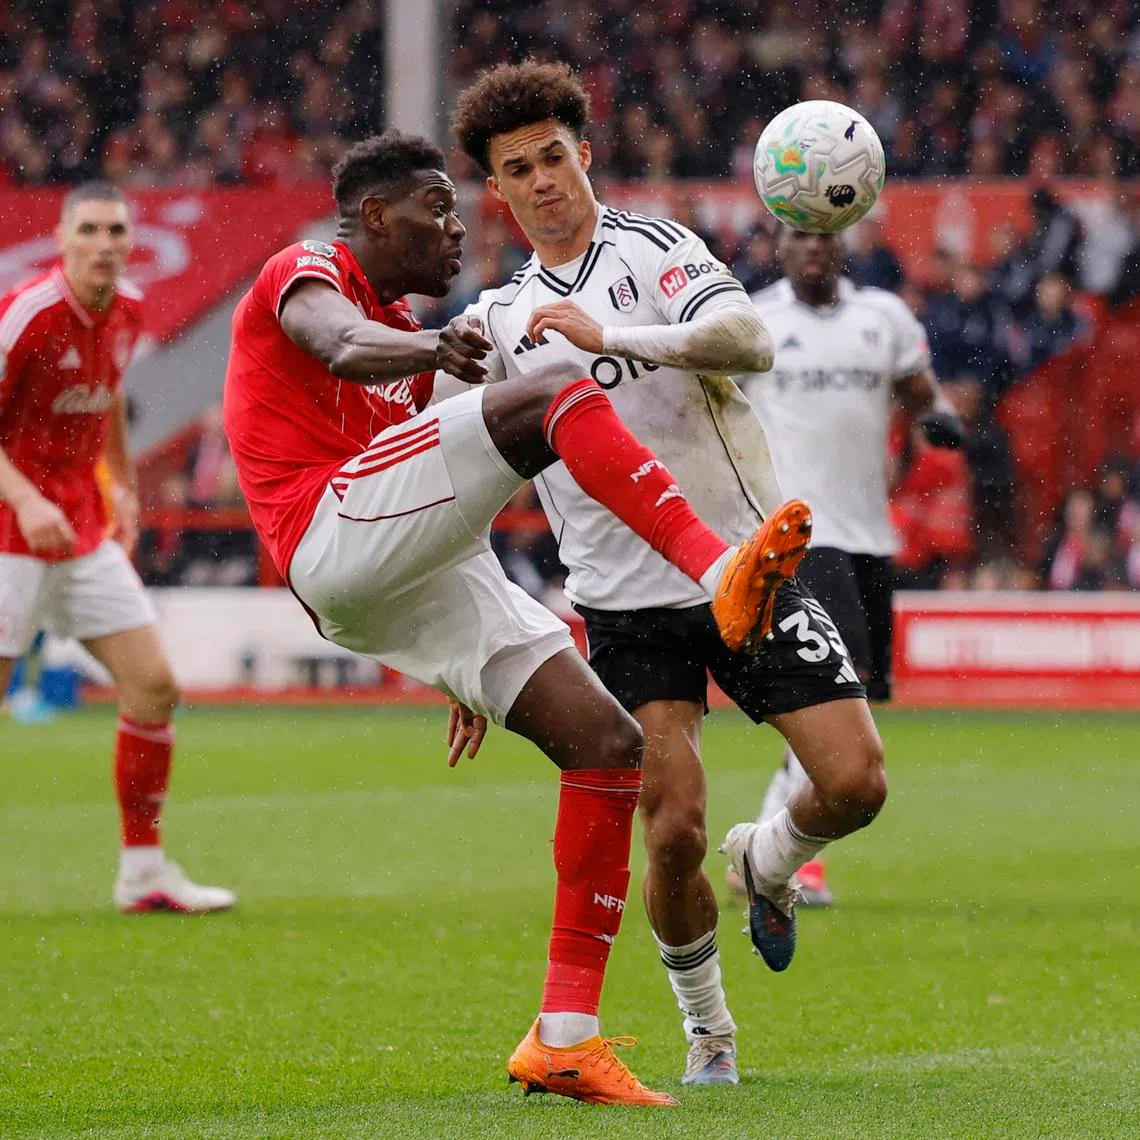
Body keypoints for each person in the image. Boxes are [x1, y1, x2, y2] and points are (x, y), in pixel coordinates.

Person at [222, 129, 805, 1108]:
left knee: (606, 744)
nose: (459, 226)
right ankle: (719, 568)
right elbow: (337, 343)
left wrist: (463, 650)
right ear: (376, 218)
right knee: (551, 391)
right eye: (438, 209)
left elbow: (434, 485)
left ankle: (565, 1038)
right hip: (321, 530)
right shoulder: (312, 272)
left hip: (396, 571)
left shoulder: (411, 336)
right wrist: (426, 347)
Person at [449, 60, 886, 1086]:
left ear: (585, 156)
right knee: (673, 825)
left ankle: (766, 860)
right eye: (519, 168)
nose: (544, 178)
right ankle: (710, 1034)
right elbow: (460, 488)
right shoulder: (495, 323)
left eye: (555, 155)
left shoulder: (654, 249)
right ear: (499, 192)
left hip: (742, 569)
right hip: (624, 608)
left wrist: (613, 337)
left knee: (857, 785)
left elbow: (747, 340)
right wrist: (461, 657)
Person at [0, 181, 235, 915]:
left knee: (154, 685)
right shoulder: (29, 315)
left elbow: (107, 404)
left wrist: (124, 486)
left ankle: (143, 872)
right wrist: (27, 498)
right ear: (64, 240)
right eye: (90, 231)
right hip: (12, 532)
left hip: (82, 531)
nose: (105, 244)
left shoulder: (129, 308)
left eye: (116, 231)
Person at [738, 226, 964, 903]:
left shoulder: (884, 317)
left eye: (824, 236)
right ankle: (790, 859)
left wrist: (940, 416)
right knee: (837, 693)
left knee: (854, 696)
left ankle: (765, 848)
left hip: (870, 536)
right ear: (777, 246)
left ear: (845, 246)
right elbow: (712, 406)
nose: (812, 246)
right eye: (798, 234)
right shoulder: (755, 322)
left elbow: (922, 393)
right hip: (800, 538)